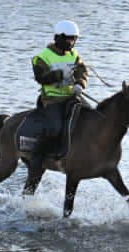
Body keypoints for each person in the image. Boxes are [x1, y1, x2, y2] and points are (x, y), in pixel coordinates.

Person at [30, 20, 88, 161]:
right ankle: (38, 157)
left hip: (72, 95)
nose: (72, 42)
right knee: (54, 127)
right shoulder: (42, 57)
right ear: (58, 38)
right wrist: (61, 74)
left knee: (93, 115)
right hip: (52, 98)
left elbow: (82, 70)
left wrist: (80, 83)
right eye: (69, 39)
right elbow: (40, 77)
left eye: (74, 39)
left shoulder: (74, 55)